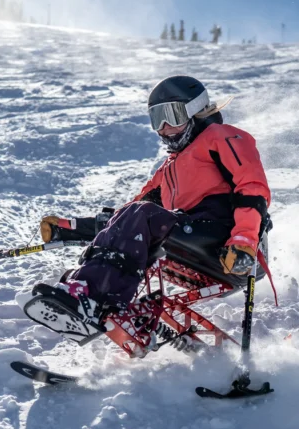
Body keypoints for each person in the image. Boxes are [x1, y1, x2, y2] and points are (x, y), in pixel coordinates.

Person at [25, 75, 271, 339]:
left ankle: (90, 295)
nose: (164, 127)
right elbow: (126, 220)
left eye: (172, 116)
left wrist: (244, 239)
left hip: (228, 245)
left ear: (195, 110)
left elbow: (252, 188)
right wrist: (70, 228)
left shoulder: (221, 137)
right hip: (192, 240)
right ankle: (96, 301)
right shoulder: (168, 170)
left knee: (143, 213)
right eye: (157, 119)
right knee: (139, 213)